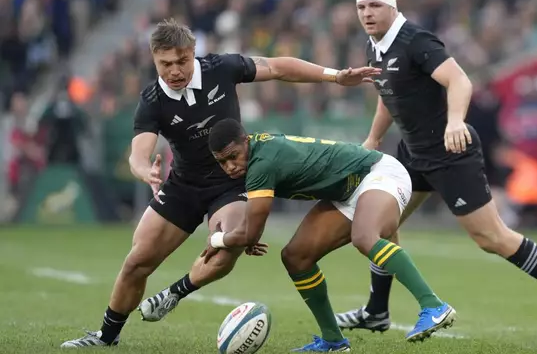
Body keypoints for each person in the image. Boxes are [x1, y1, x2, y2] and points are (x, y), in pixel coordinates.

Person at [61, 18, 380, 348]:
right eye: (165, 64)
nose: (174, 71)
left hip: (230, 183)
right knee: (137, 261)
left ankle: (176, 292)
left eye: (182, 61)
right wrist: (145, 171)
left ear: (193, 53)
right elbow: (138, 152)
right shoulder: (152, 99)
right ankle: (105, 337)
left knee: (231, 243)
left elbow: (276, 67)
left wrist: (334, 76)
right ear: (154, 59)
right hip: (184, 185)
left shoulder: (220, 68)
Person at [333, 0, 537, 343]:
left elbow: (459, 80)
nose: (367, 13)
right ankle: (377, 311)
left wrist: (456, 121)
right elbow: (390, 95)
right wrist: (373, 138)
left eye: (374, 5)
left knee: (491, 238)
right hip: (413, 152)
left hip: (449, 151)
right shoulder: (374, 44)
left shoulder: (416, 40)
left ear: (392, 5)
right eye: (361, 7)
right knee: (378, 226)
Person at [203, 118, 456, 352]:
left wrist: (217, 239)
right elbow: (250, 232)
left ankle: (433, 306)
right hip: (346, 192)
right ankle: (333, 341)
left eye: (233, 157)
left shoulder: (261, 164)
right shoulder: (257, 153)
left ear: (245, 141)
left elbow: (249, 234)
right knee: (296, 257)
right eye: (222, 162)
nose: (230, 166)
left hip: (377, 173)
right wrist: (246, 235)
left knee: (364, 237)